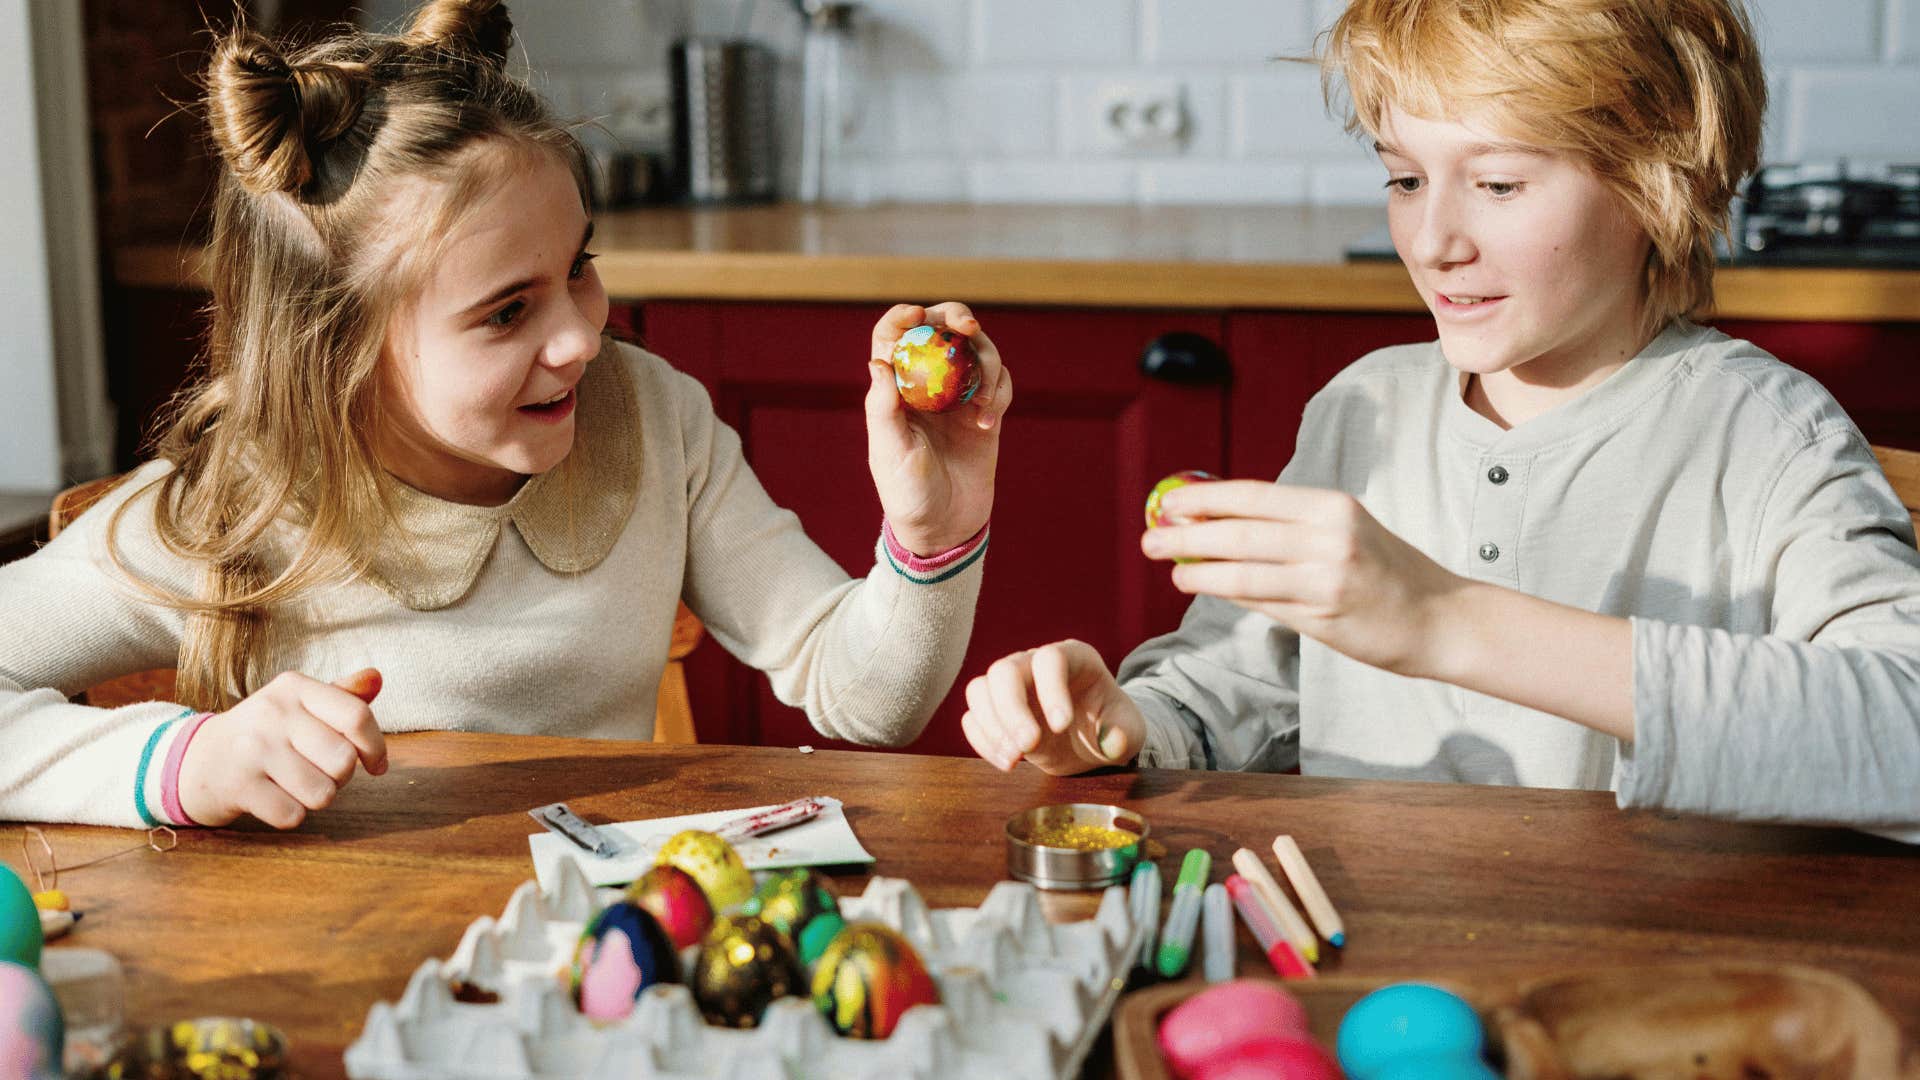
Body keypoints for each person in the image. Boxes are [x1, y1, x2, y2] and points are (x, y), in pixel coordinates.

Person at [0, 0, 1010, 831]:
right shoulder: (237, 510)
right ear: (336, 348)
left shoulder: (654, 419)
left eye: (579, 269)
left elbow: (870, 702)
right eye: (507, 311)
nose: (579, 338)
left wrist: (933, 534)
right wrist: (186, 764)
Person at [959, 0, 1920, 839]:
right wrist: (1122, 722)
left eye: (1498, 183)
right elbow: (1232, 695)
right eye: (1405, 179)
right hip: (1374, 962)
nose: (1432, 241)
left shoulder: (1763, 434)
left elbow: (1903, 736)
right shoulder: (1363, 408)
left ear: (1654, 181)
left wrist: (1445, 621)